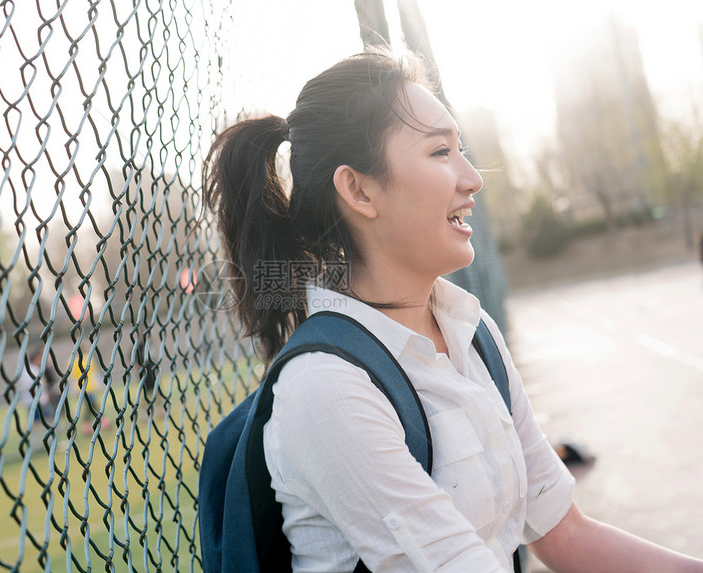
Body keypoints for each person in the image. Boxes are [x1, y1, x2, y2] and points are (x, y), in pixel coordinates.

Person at [202, 49, 703, 572]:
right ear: (359, 189)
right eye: (441, 152)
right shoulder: (325, 386)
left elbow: (566, 534)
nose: (473, 178)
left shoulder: (473, 331)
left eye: (462, 149)